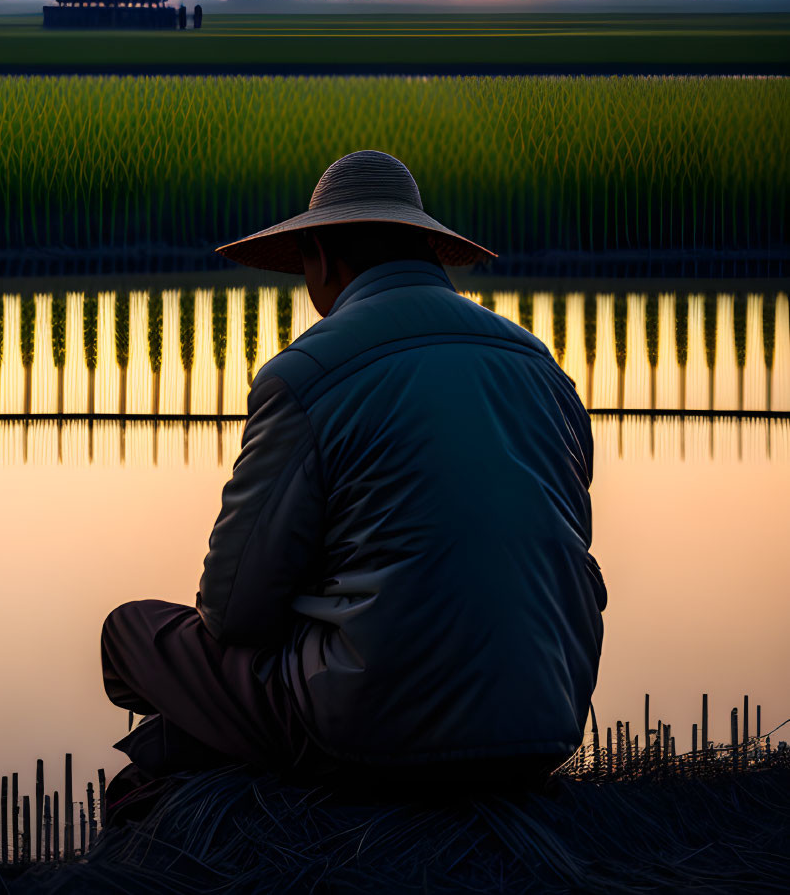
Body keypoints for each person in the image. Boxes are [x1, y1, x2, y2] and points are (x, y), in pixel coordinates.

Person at [101, 150, 604, 813]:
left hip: (375, 732)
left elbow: (232, 611)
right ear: (429, 248)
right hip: (546, 720)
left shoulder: (306, 374)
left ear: (318, 255)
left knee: (130, 634)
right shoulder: (540, 367)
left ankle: (163, 811)